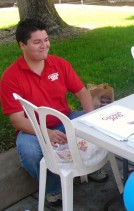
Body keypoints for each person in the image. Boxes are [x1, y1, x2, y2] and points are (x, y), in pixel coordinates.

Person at [0, 18, 108, 207]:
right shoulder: (10, 78)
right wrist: (46, 133)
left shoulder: (59, 64)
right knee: (29, 152)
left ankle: (88, 167)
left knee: (97, 129)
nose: (45, 46)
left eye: (46, 39)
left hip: (65, 119)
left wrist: (91, 118)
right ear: (22, 45)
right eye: (37, 42)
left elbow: (82, 92)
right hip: (33, 129)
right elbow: (17, 120)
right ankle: (53, 187)